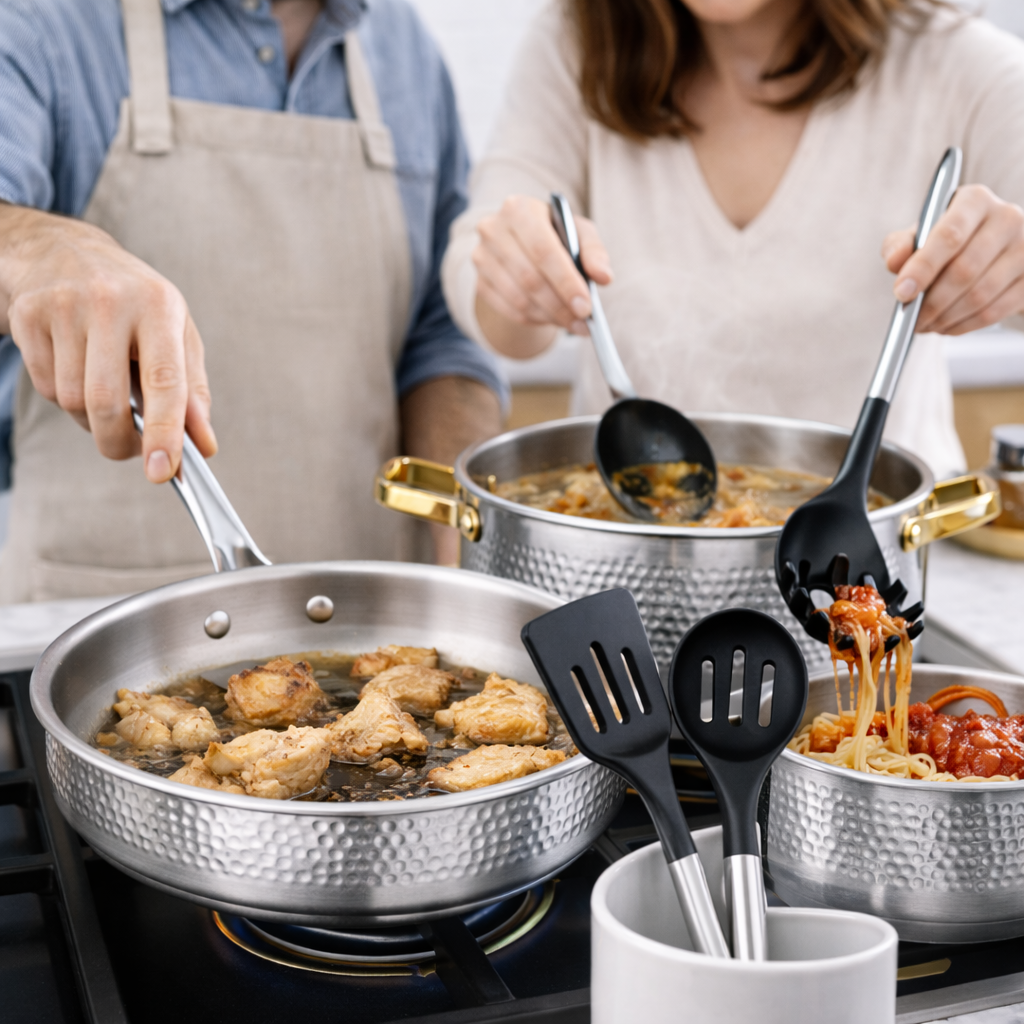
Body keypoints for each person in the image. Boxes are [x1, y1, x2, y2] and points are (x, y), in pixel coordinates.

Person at [0, 0, 504, 602]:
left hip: (367, 635)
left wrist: (467, 564)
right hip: (85, 617)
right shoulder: (41, 25)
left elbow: (441, 340)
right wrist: (39, 248)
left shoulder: (406, 51)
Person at [442, 0, 1024, 482]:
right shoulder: (576, 43)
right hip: (619, 564)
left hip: (880, 564)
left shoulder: (953, 62)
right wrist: (517, 275)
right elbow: (491, 287)